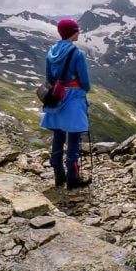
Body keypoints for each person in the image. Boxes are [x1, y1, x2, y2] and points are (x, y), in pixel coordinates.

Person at [40, 19, 91, 188]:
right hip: (73, 98)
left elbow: (48, 77)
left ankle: (58, 174)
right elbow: (85, 81)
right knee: (74, 137)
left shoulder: (51, 51)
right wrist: (81, 91)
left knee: (58, 134)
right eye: (77, 30)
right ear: (71, 33)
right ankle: (72, 178)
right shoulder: (77, 54)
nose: (79, 33)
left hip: (57, 97)